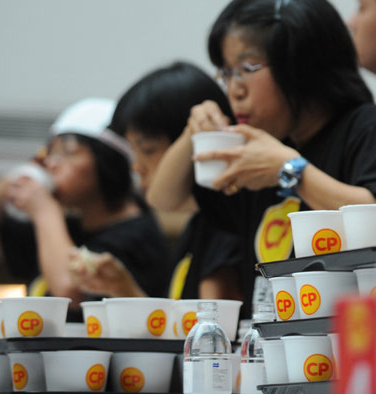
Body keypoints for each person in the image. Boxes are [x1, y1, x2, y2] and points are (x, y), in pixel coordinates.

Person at [148, 0, 376, 315]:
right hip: (272, 339)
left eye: (247, 68)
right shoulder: (262, 149)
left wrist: (290, 171)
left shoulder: (368, 126)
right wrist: (193, 132)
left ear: (302, 63)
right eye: (226, 73)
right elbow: (165, 199)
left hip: (349, 333)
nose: (234, 90)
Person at [0, 98, 170, 316]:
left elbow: (70, 291)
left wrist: (44, 210)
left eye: (67, 152)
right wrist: (23, 175)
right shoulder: (66, 228)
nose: (51, 164)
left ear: (107, 161)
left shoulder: (138, 235)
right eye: (50, 154)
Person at [68, 62, 244, 302]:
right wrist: (125, 290)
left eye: (148, 150)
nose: (136, 166)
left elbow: (214, 323)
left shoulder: (225, 226)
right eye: (133, 151)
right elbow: (178, 324)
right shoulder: (200, 223)